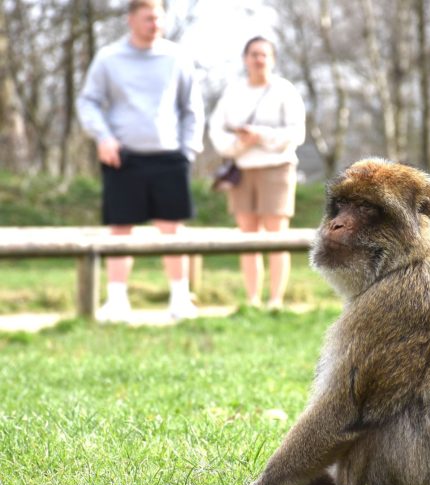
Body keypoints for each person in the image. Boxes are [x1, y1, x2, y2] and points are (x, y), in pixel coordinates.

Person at [76, 0, 204, 321]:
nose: (155, 24)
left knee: (172, 230)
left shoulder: (176, 57)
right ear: (130, 19)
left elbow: (192, 108)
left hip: (169, 157)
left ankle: (179, 299)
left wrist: (187, 151)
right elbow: (88, 102)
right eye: (148, 18)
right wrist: (103, 137)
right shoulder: (108, 58)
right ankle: (117, 300)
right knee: (120, 230)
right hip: (123, 158)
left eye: (159, 18)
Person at [209, 36, 306, 309]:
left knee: (276, 235)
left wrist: (260, 136)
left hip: (277, 169)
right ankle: (252, 300)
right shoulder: (233, 92)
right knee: (248, 235)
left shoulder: (285, 91)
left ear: (272, 59)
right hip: (242, 169)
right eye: (254, 54)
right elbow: (216, 130)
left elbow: (296, 133)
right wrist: (240, 144)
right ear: (245, 59)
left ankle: (275, 300)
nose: (259, 59)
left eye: (264, 54)